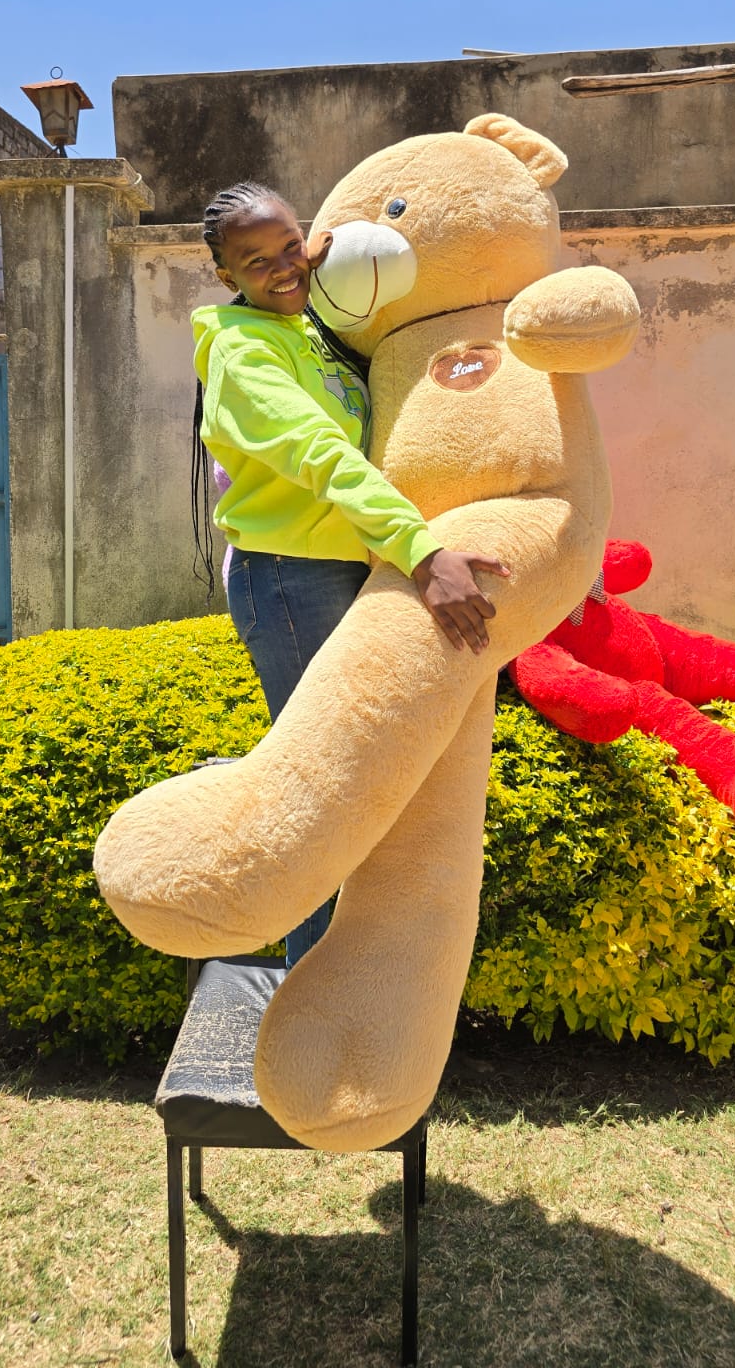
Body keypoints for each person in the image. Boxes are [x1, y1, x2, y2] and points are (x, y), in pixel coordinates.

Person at [192, 181, 509, 967]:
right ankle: (309, 1002)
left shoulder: (307, 328)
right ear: (225, 275)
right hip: (289, 580)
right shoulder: (242, 351)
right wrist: (422, 553)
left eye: (291, 247)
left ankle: (352, 994)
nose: (282, 268)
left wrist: (329, 267)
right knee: (325, 794)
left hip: (338, 569)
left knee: (361, 785)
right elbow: (320, 452)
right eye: (257, 261)